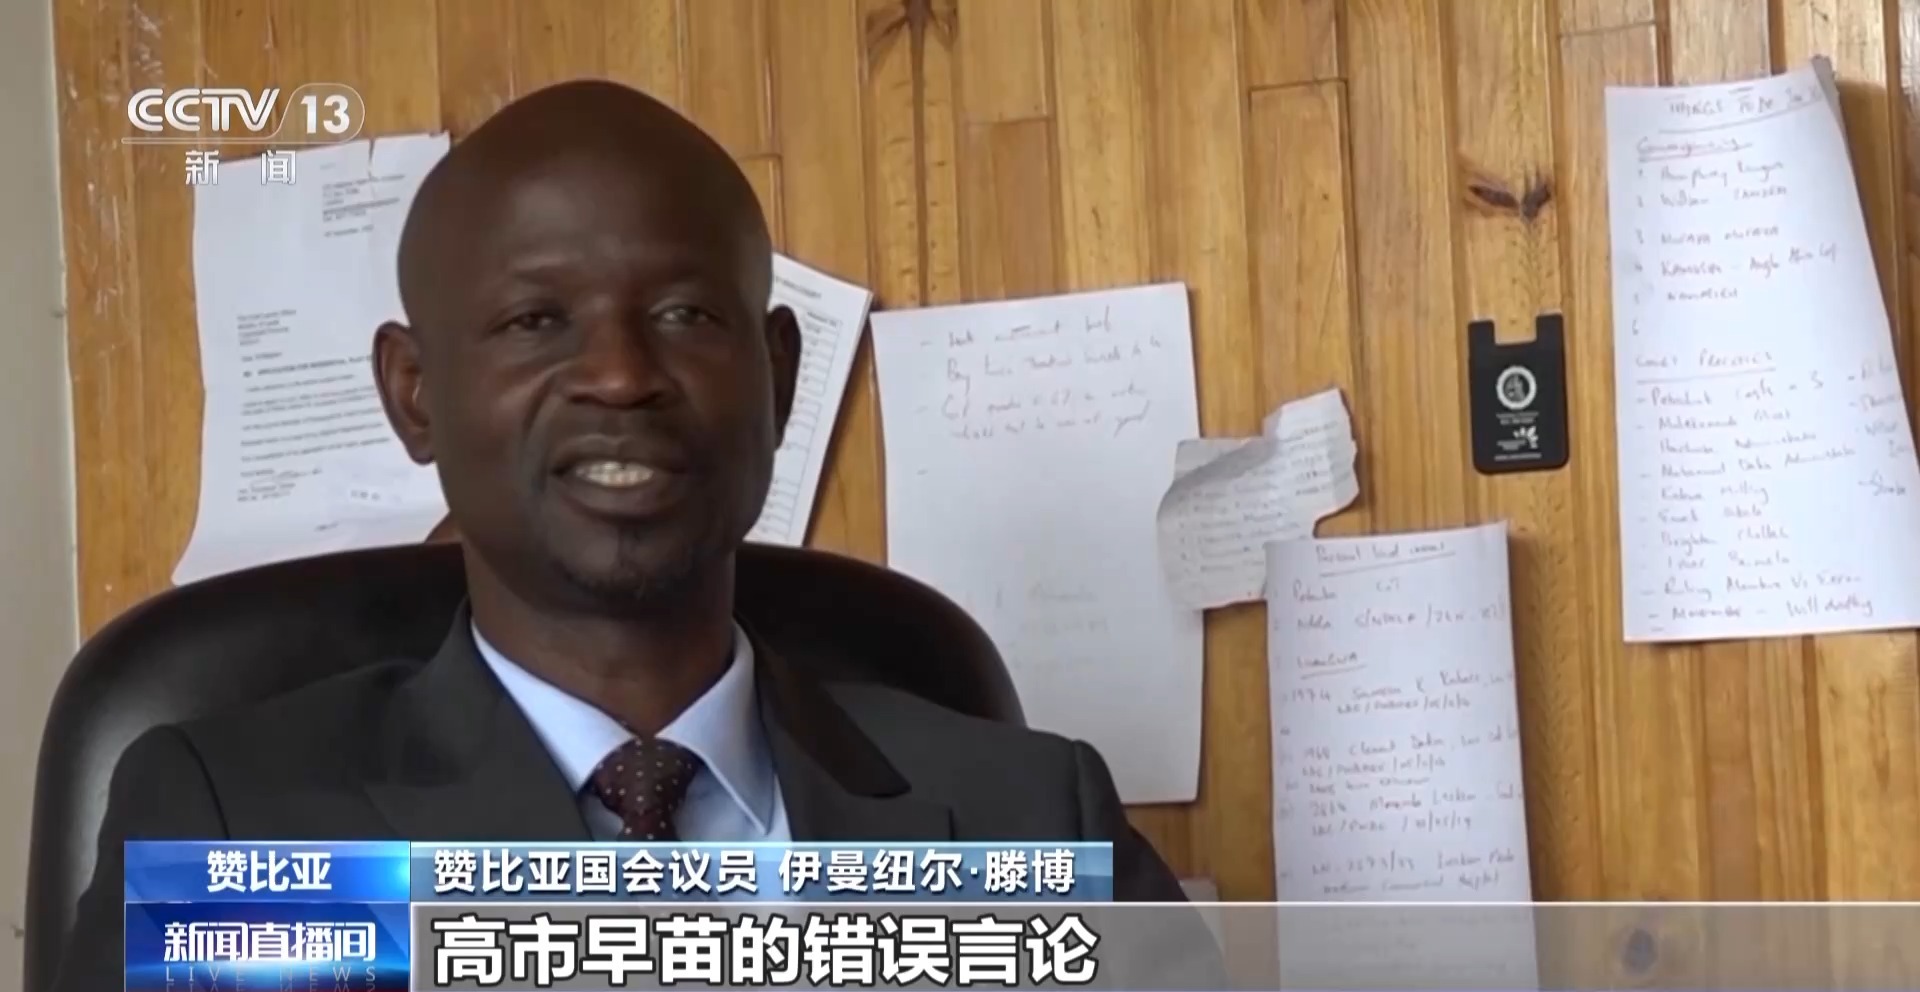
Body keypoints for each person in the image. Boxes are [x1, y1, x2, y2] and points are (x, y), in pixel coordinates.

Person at [55, 81, 1215, 991]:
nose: (619, 374)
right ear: (416, 395)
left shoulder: (1034, 813)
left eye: (684, 313)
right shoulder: (236, 824)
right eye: (535, 320)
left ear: (776, 377)